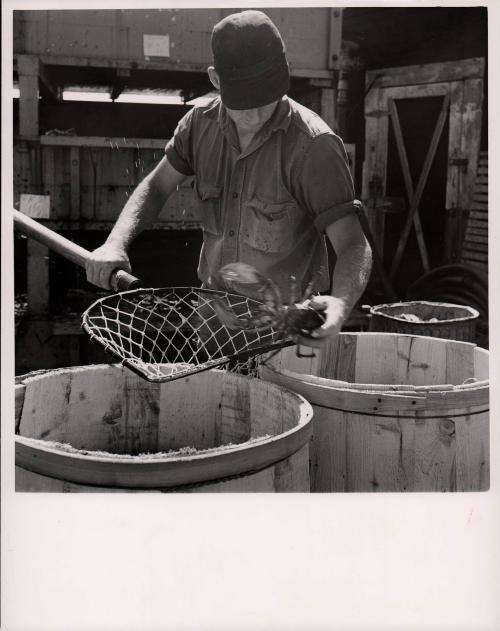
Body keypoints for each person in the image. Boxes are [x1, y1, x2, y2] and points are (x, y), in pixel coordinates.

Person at [86, 9, 372, 349]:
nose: (255, 114)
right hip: (213, 324)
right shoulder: (198, 125)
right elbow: (156, 186)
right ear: (216, 80)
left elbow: (354, 244)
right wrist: (115, 243)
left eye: (266, 100)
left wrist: (340, 302)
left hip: (285, 334)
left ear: (285, 74)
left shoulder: (314, 146)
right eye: (243, 102)